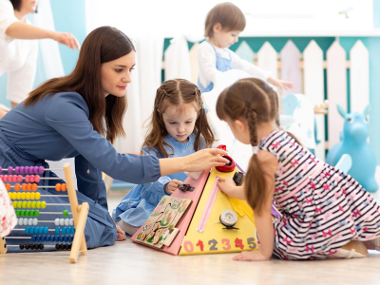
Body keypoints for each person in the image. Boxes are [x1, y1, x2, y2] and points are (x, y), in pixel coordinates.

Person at [0, 26, 228, 250]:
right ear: (93, 67)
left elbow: (89, 167)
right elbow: (115, 164)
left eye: (131, 69)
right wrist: (187, 162)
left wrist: (105, 218)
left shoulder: (92, 104)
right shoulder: (64, 105)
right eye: (119, 70)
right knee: (89, 230)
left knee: (101, 222)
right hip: (6, 168)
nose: (128, 78)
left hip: (29, 171)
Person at [216, 77, 380, 261]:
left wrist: (264, 252)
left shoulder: (263, 158)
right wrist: (231, 189)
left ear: (239, 125)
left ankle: (342, 245)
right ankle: (369, 235)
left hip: (319, 220)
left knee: (271, 236)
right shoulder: (286, 137)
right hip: (347, 204)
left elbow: (261, 207)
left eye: (229, 126)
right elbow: (256, 190)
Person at [113, 79, 215, 236]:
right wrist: (165, 185)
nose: (181, 129)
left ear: (198, 115)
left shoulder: (201, 142)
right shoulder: (154, 144)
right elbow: (146, 176)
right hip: (156, 200)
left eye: (188, 122)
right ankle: (120, 224)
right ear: (161, 117)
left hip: (190, 199)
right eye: (173, 122)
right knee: (147, 228)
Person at [0, 0, 79, 110]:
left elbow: (19, 89)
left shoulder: (31, 36)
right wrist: (52, 34)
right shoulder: (2, 4)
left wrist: (19, 122)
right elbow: (10, 28)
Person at [197, 2, 293, 93]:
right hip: (208, 102)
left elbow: (246, 67)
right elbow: (209, 72)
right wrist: (231, 78)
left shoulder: (226, 53)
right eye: (233, 34)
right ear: (217, 28)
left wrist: (271, 80)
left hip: (222, 101)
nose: (236, 40)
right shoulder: (205, 48)